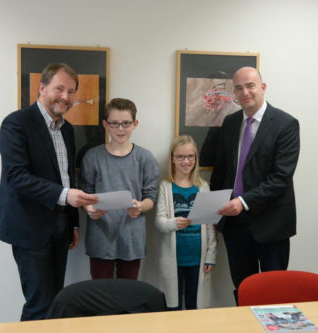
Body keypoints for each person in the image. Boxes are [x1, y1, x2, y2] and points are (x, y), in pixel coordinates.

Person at [0, 63, 98, 321]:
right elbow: (16, 176)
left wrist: (73, 223)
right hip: (28, 227)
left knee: (57, 301)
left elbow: (67, 177)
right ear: (42, 88)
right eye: (59, 89)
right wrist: (66, 197)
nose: (65, 97)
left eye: (71, 91)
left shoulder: (67, 129)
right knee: (39, 304)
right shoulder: (16, 123)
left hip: (61, 225)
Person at [210, 66, 300, 302]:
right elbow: (221, 172)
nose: (245, 92)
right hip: (234, 224)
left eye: (250, 85)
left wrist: (243, 202)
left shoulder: (286, 124)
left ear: (263, 87)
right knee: (243, 289)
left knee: (274, 292)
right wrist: (215, 212)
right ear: (234, 92)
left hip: (272, 223)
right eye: (238, 88)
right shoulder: (229, 124)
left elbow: (281, 177)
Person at [80, 98, 159, 280]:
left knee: (128, 294)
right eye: (114, 124)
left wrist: (140, 206)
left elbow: (151, 196)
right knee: (100, 294)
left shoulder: (145, 158)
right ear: (105, 125)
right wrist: (89, 209)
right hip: (100, 235)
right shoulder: (92, 157)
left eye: (126, 123)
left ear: (135, 124)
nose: (120, 129)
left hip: (132, 236)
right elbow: (84, 192)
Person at [155, 135, 216, 310]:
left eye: (190, 156)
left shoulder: (202, 186)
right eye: (180, 157)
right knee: (172, 305)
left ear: (196, 158)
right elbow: (159, 221)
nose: (186, 161)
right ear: (172, 159)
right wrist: (175, 223)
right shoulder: (166, 186)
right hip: (173, 257)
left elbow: (210, 225)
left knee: (195, 305)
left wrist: (211, 256)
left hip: (198, 258)